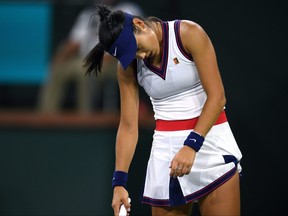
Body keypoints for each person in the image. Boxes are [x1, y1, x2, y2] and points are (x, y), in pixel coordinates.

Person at [83, 4, 243, 216]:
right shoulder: (129, 66)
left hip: (210, 143)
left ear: (139, 24)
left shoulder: (188, 33)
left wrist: (191, 145)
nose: (139, 56)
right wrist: (119, 182)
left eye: (137, 48)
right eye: (133, 54)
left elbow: (217, 97)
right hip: (166, 155)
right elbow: (129, 127)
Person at [38, 0, 144, 114]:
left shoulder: (128, 9)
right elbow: (75, 42)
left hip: (116, 62)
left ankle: (85, 119)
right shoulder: (89, 13)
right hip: (86, 59)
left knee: (85, 70)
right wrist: (60, 57)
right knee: (58, 69)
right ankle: (45, 117)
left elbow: (135, 40)